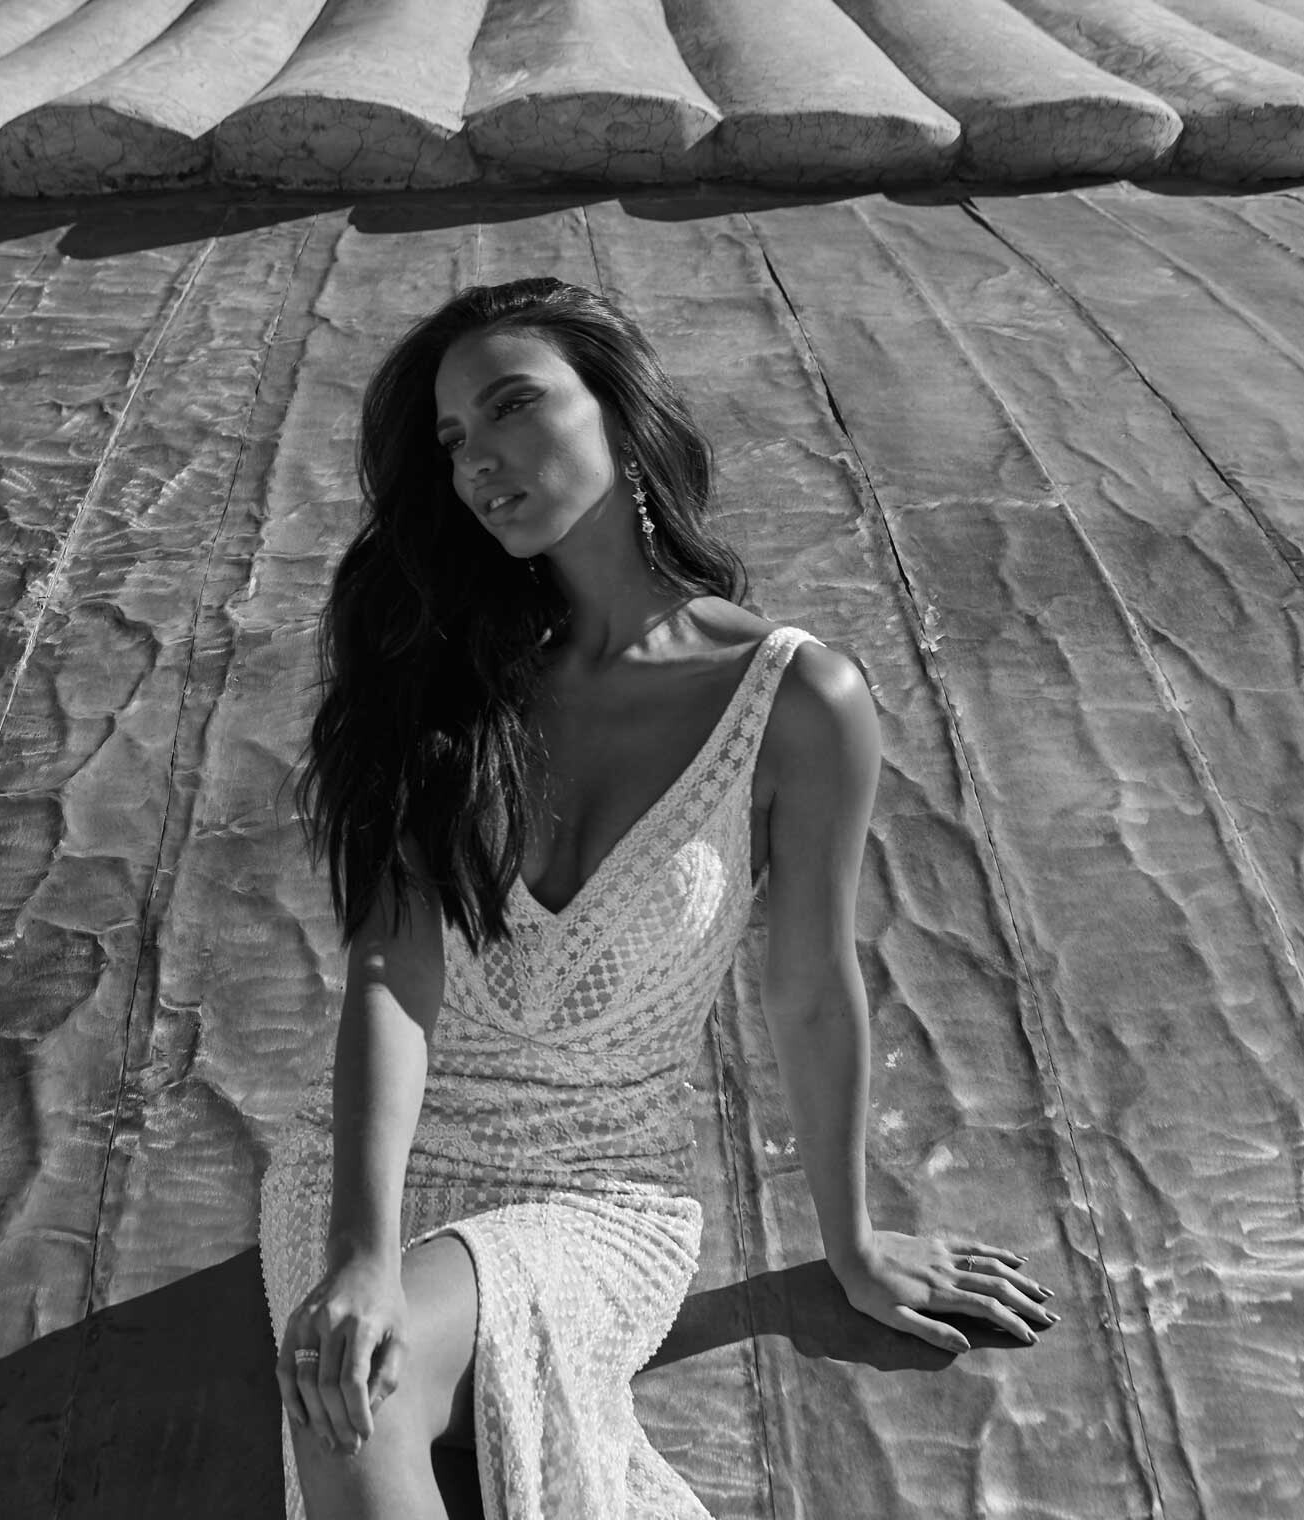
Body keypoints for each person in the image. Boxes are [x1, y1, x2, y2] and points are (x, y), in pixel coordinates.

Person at [256, 278, 1056, 1520]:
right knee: (348, 1379)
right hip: (369, 1171)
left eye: (512, 406)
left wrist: (852, 1242)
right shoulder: (441, 680)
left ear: (623, 418)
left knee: (366, 1386)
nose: (476, 460)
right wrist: (360, 1250)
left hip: (599, 1190)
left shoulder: (796, 698)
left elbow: (810, 985)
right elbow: (389, 967)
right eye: (452, 440)